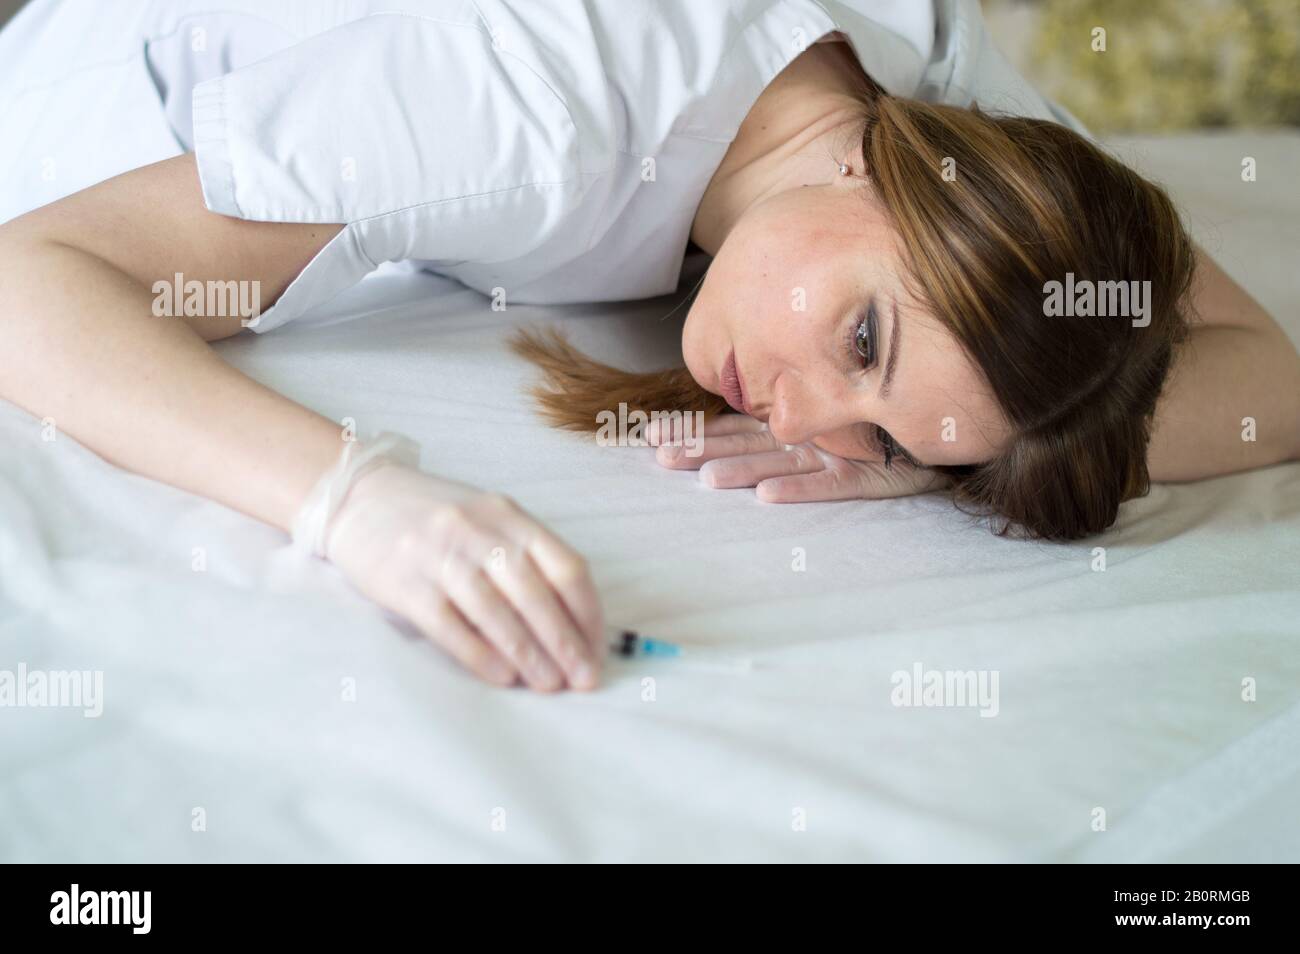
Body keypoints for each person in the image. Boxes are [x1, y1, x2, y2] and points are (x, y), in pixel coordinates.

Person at [1, 1, 1296, 693]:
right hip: (93, 97)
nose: (802, 425)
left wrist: (960, 455)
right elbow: (33, 274)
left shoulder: (943, 84)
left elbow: (1268, 371)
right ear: (875, 168)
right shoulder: (533, 115)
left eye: (879, 426)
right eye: (862, 338)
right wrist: (356, 499)